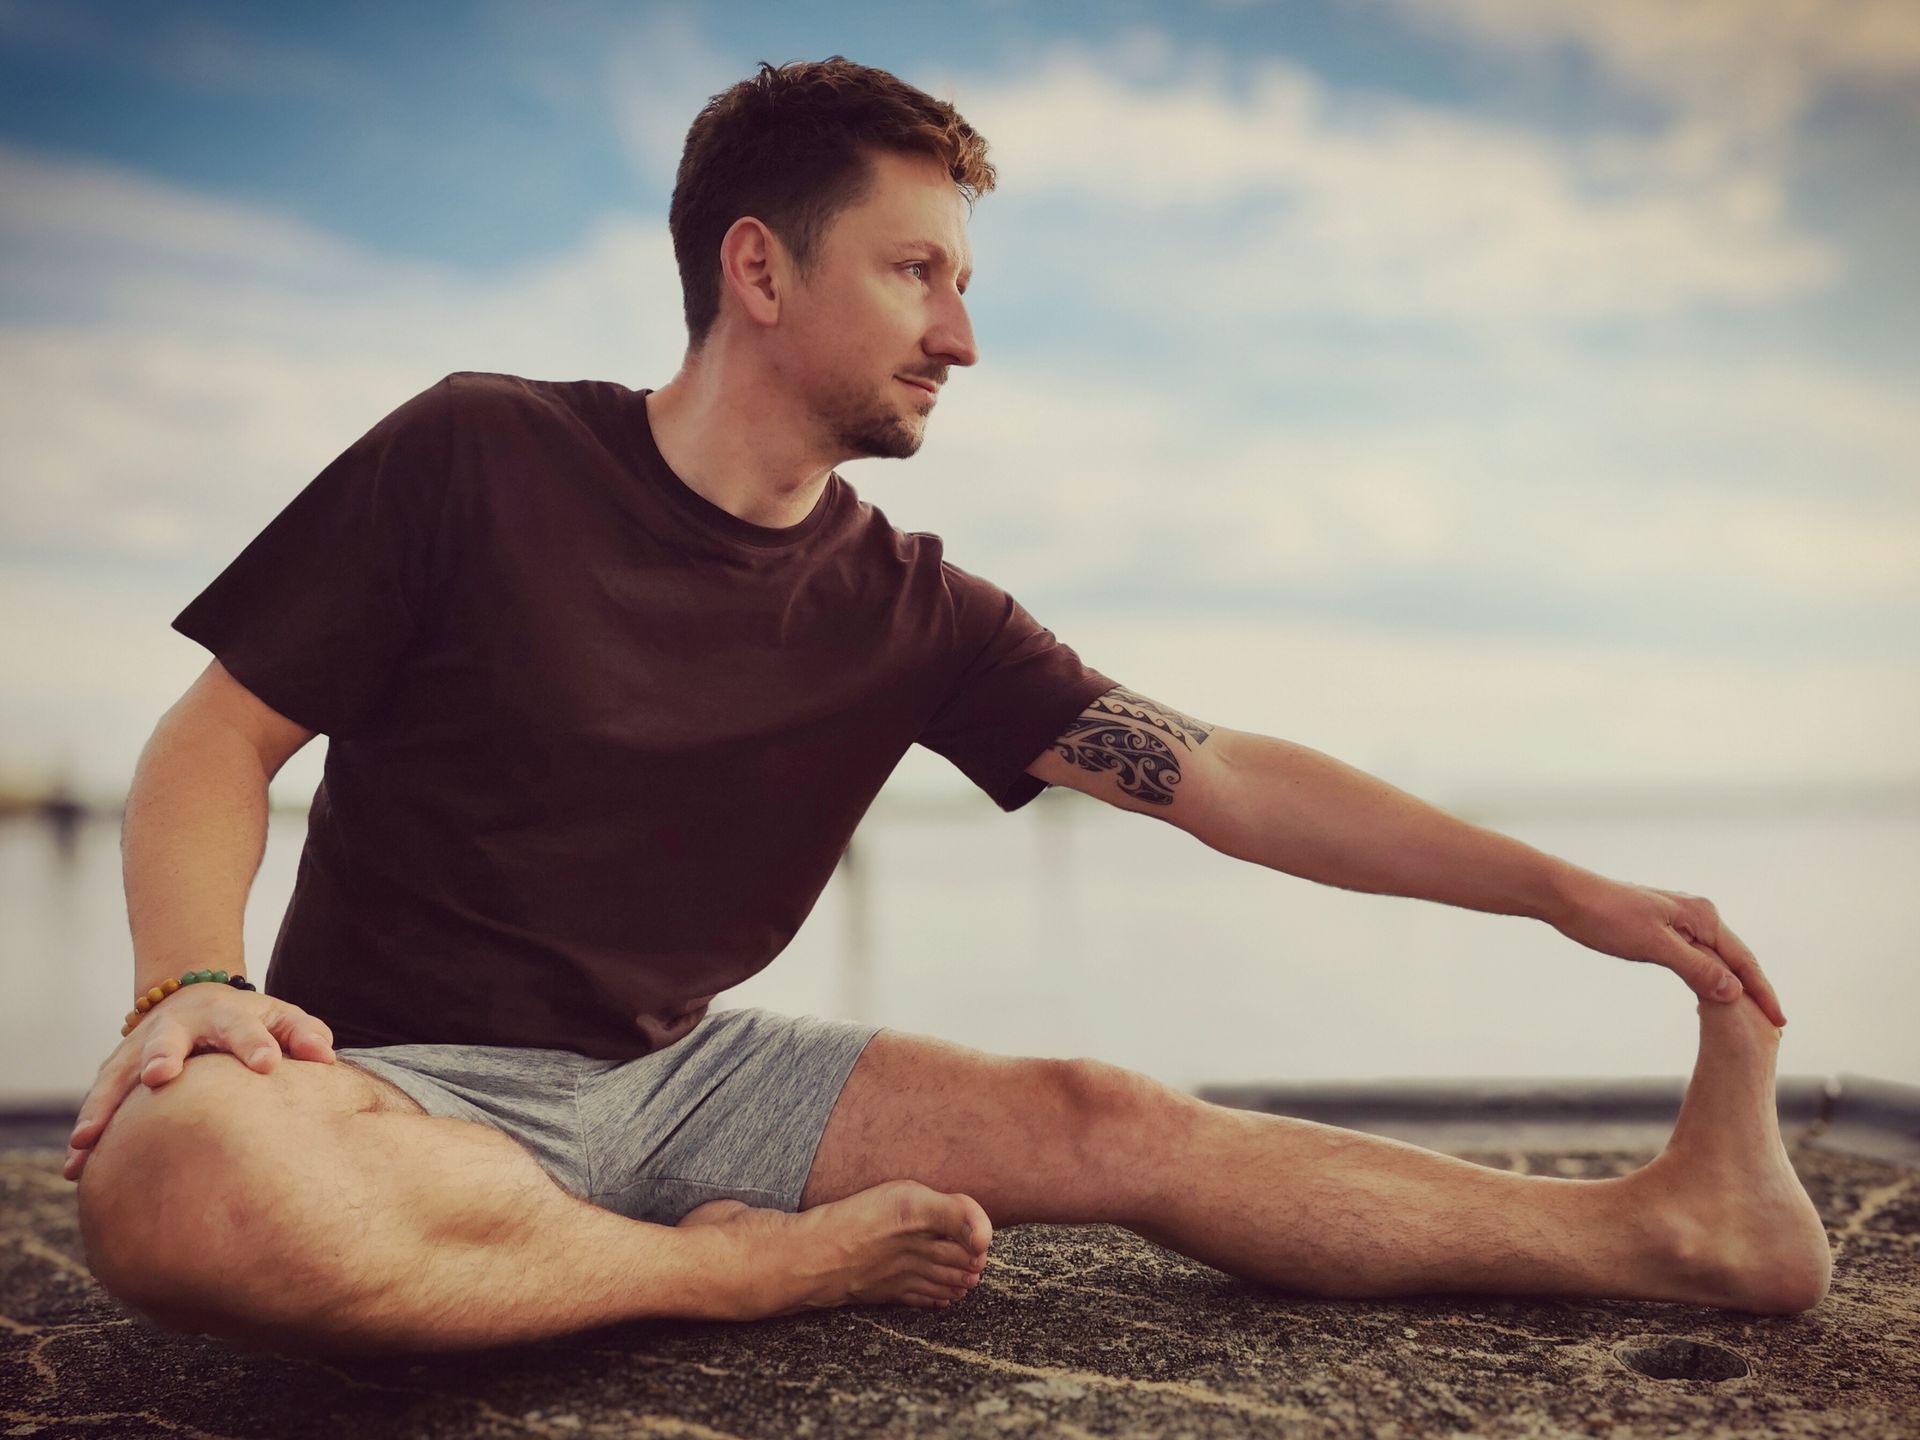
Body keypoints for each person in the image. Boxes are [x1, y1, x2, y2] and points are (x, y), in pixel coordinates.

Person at [64, 56, 1830, 1358]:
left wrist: (1563, 892)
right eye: (918, 275)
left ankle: (1671, 1232)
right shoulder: (480, 452)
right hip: (389, 1088)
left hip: (676, 1090)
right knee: (183, 1179)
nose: (960, 338)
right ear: (759, 272)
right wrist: (193, 993)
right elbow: (217, 740)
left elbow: (1226, 781)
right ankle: (722, 1272)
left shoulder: (909, 611)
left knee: (1111, 1116)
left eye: (963, 286)